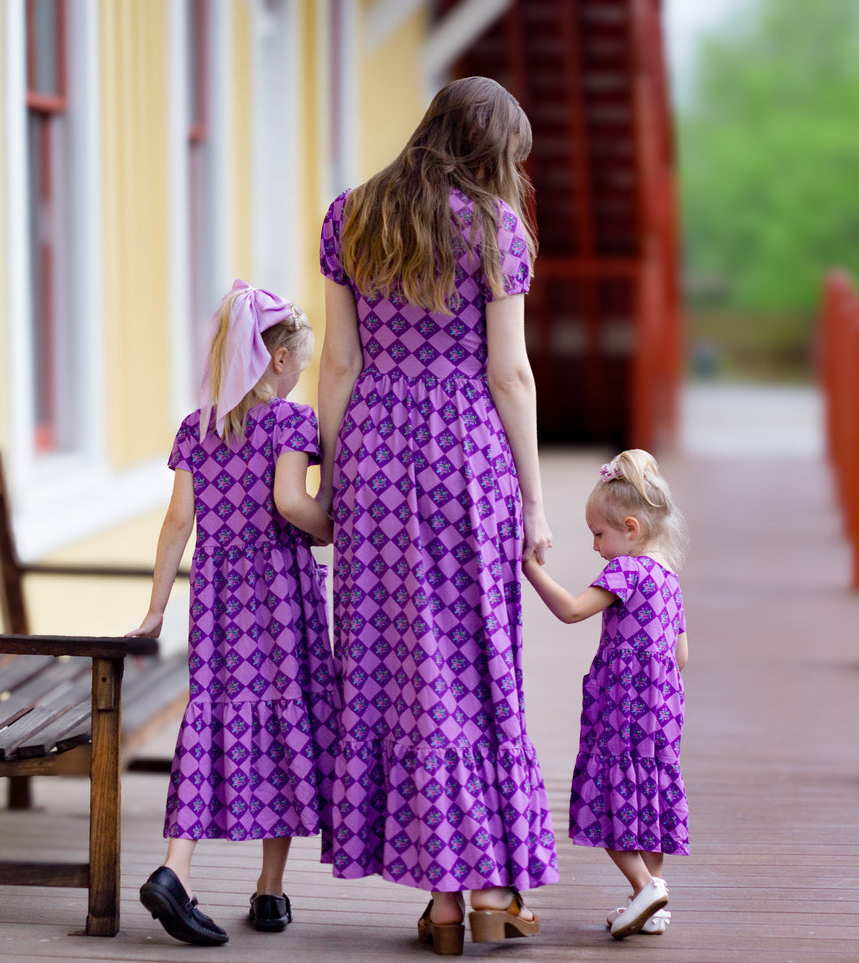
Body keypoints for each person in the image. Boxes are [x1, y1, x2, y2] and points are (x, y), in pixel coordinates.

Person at [316, 76, 558, 956]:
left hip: (376, 449)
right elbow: (510, 375)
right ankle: (487, 884)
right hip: (465, 452)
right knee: (473, 660)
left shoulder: (351, 214)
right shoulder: (496, 227)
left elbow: (337, 363)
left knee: (396, 667)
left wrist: (337, 476)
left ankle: (444, 901)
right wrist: (533, 500)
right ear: (487, 150)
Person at [128, 280, 337, 947]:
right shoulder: (289, 421)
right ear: (277, 360)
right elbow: (288, 503)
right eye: (298, 360)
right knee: (285, 717)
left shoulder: (198, 427)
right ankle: (270, 889)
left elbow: (177, 520)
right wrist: (330, 524)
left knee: (210, 716)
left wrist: (156, 607)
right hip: (279, 596)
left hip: (218, 602)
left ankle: (175, 867)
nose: (300, 370)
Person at [521, 450, 690, 940]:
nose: (595, 546)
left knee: (614, 801)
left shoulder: (628, 572)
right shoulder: (668, 578)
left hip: (622, 703)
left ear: (631, 528)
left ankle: (644, 887)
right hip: (663, 710)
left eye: (599, 534)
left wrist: (530, 568)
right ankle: (652, 900)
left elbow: (573, 611)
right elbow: (681, 654)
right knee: (648, 796)